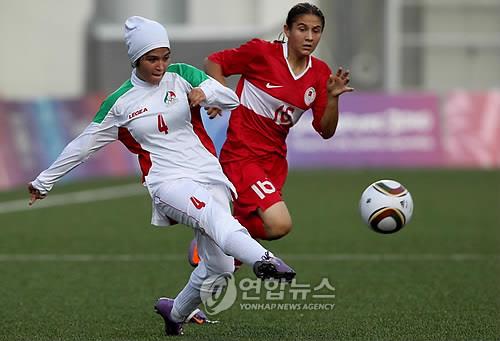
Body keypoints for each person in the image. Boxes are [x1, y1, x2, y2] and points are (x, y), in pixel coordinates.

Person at [28, 16, 295, 336]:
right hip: (167, 183)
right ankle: (263, 259)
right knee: (213, 218)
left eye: (165, 56)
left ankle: (176, 312)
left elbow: (231, 99)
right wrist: (44, 181)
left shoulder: (182, 75)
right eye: (151, 59)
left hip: (209, 175)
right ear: (135, 59)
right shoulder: (120, 103)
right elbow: (83, 146)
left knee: (221, 269)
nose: (160, 65)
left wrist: (206, 94)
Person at [188, 3, 354, 267]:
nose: (309, 37)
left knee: (261, 236)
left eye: (316, 30)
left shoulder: (320, 73)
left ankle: (219, 242)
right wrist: (218, 95)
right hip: (242, 156)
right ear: (286, 30)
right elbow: (214, 62)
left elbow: (326, 131)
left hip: (274, 162)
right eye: (302, 29)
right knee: (280, 223)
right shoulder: (261, 53)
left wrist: (332, 99)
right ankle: (221, 240)